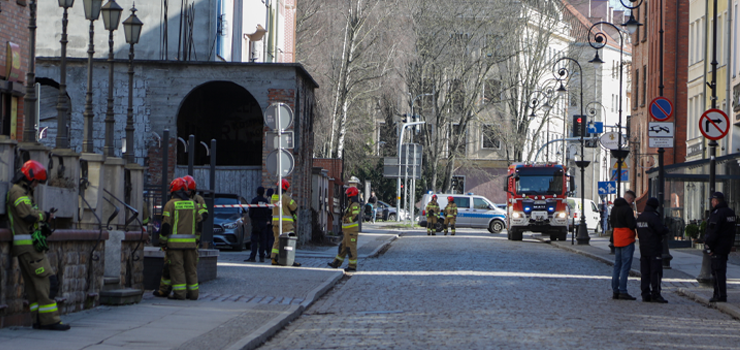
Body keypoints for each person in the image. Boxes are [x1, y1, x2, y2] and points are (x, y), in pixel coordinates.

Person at [7, 160, 69, 330]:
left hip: (29, 247)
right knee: (47, 281)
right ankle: (50, 320)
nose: (35, 185)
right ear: (29, 177)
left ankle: (39, 320)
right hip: (29, 248)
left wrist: (42, 226)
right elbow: (27, 215)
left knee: (34, 287)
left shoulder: (24, 193)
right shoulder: (17, 193)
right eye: (35, 181)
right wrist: (45, 216)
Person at [160, 178, 202, 300]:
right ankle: (194, 294)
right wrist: (196, 240)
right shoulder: (193, 204)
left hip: (174, 246)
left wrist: (162, 241)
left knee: (177, 269)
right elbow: (199, 224)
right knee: (191, 269)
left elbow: (166, 226)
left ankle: (180, 294)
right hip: (191, 245)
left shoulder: (170, 204)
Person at [704, 192, 736, 303]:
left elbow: (713, 232)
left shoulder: (717, 213)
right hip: (726, 246)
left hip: (717, 247)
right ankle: (720, 294)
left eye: (712, 200)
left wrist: (709, 247)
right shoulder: (730, 213)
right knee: (721, 271)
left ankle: (719, 295)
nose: (712, 202)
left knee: (717, 272)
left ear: (716, 201)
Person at [636, 197, 669, 303]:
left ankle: (645, 294)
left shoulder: (641, 217)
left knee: (645, 273)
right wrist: (666, 229)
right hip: (654, 248)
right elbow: (660, 230)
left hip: (643, 249)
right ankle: (655, 293)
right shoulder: (653, 217)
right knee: (655, 272)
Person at [610, 190, 637, 300]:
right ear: (630, 199)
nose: (633, 203)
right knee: (625, 266)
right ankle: (623, 290)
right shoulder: (627, 209)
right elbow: (631, 224)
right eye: (633, 201)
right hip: (626, 238)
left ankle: (615, 290)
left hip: (617, 238)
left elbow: (611, 223)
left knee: (617, 265)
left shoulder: (614, 208)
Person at [328, 187, 362, 271]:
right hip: (347, 231)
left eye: (347, 194)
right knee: (342, 247)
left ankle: (352, 266)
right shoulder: (351, 204)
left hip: (351, 232)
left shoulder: (354, 205)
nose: (346, 196)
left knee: (351, 249)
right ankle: (336, 263)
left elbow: (355, 217)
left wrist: (346, 220)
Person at [270, 179, 301, 266]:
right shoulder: (286, 198)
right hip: (286, 224)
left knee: (277, 240)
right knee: (289, 241)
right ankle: (289, 260)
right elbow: (294, 207)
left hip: (275, 223)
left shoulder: (273, 197)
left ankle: (274, 259)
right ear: (285, 188)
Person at [246, 187, 271, 262]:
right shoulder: (265, 201)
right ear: (263, 192)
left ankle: (253, 256)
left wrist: (253, 219)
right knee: (262, 240)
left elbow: (251, 212)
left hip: (256, 222)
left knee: (254, 240)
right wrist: (266, 219)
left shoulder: (254, 201)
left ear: (257, 192)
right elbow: (268, 212)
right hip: (263, 223)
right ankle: (261, 257)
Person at [265, 188, 275, 259]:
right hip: (274, 221)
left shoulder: (267, 201)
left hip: (267, 221)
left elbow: (266, 212)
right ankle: (271, 252)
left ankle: (268, 252)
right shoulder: (275, 201)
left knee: (267, 237)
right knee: (271, 237)